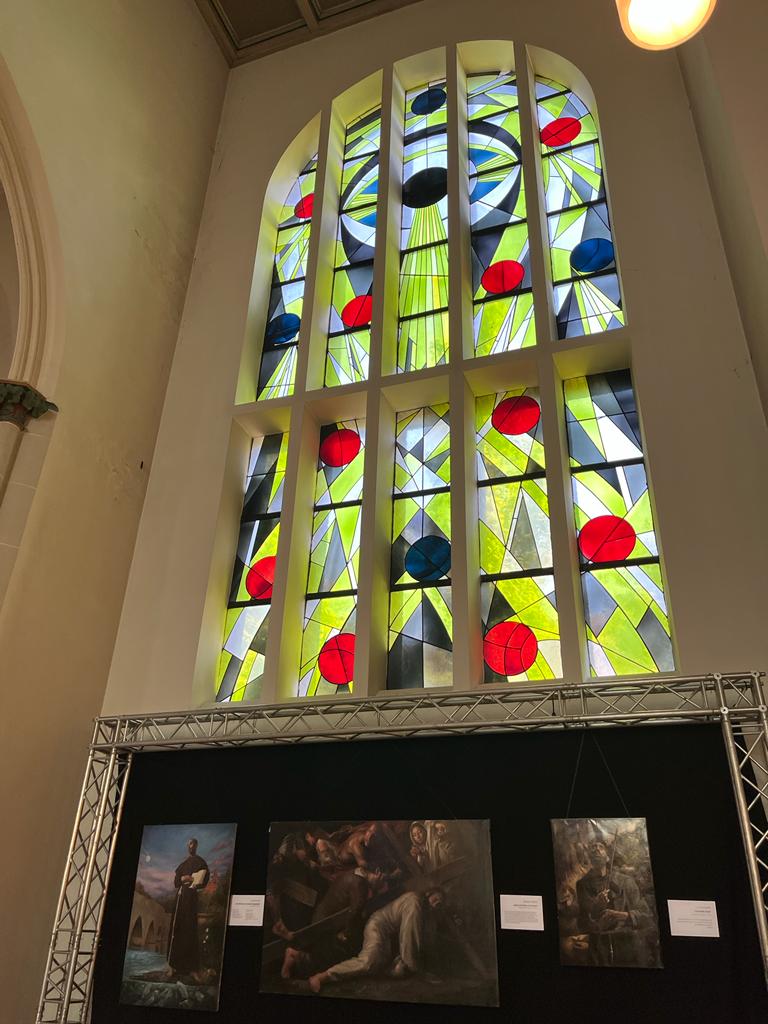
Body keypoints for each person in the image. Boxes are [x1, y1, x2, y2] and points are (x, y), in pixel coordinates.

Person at [309, 888, 445, 992]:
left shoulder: (428, 914)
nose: (437, 903)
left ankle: (397, 966)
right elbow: (409, 937)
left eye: (440, 902)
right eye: (436, 898)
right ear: (428, 894)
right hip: (379, 926)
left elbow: (428, 941)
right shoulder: (415, 902)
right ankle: (323, 976)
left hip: (390, 937)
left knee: (395, 968)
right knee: (368, 962)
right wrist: (415, 968)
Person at [575, 839, 656, 967]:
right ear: (589, 856)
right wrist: (596, 907)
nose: (596, 849)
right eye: (592, 847)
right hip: (599, 952)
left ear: (608, 856)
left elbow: (647, 916)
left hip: (628, 948)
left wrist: (620, 915)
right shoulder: (582, 885)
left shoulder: (626, 881)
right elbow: (582, 924)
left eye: (601, 847)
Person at [167, 837, 210, 978]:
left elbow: (204, 879)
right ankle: (173, 966)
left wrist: (192, 879)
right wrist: (181, 879)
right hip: (180, 898)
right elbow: (176, 882)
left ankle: (192, 968)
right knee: (177, 929)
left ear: (196, 846)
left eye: (192, 844)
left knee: (190, 929)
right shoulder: (183, 864)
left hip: (191, 898)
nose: (190, 846)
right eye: (189, 844)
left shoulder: (200, 862)